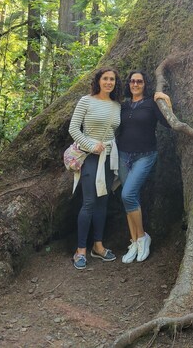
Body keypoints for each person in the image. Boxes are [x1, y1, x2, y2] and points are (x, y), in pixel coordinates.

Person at [69, 67, 122, 270]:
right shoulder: (86, 101)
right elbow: (73, 129)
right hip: (90, 157)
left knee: (103, 201)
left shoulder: (117, 106)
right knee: (89, 202)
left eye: (112, 79)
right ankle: (80, 249)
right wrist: (91, 145)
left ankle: (98, 246)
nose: (109, 82)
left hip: (109, 158)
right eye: (105, 78)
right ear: (98, 81)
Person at [117, 70, 172, 263]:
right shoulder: (123, 106)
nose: (135, 84)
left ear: (144, 84)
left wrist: (165, 99)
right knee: (130, 199)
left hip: (145, 156)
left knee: (128, 195)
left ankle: (142, 237)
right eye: (132, 81)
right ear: (129, 84)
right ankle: (134, 241)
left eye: (139, 81)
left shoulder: (151, 104)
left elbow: (169, 123)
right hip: (123, 156)